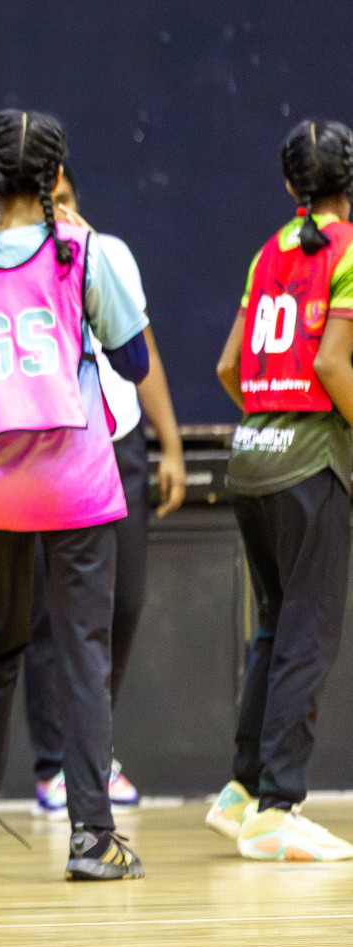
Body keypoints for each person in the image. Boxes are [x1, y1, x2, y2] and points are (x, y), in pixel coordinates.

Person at [0, 109, 148, 881]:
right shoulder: (84, 253)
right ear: (56, 178)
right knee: (84, 651)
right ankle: (92, 837)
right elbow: (131, 360)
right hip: (78, 482)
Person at [206, 119, 353, 862]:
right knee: (306, 637)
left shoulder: (269, 251)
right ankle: (276, 808)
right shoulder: (348, 249)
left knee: (274, 629)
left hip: (252, 461)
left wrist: (270, 416)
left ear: (291, 183)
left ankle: (240, 791)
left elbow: (229, 367)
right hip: (310, 465)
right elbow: (331, 365)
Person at [22, 168, 189, 819]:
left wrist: (170, 444)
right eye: (49, 205)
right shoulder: (12, 264)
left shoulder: (107, 253)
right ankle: (54, 766)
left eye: (66, 202)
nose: (60, 214)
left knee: (126, 600)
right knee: (50, 612)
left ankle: (90, 749)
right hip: (50, 446)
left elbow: (141, 349)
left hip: (119, 442)